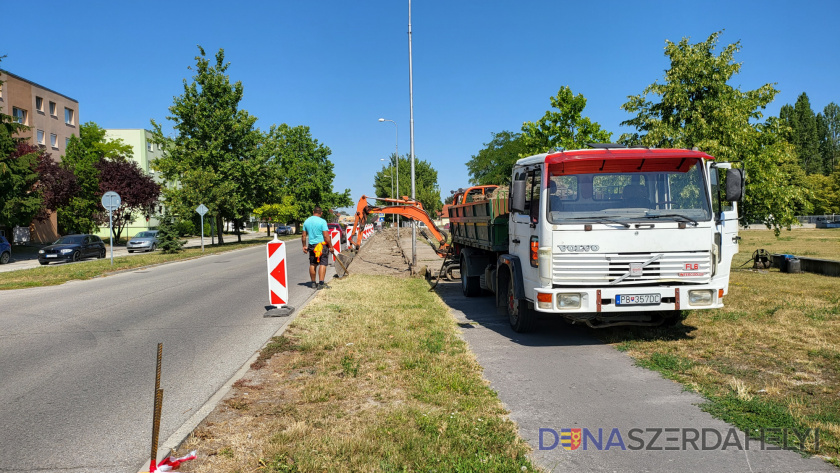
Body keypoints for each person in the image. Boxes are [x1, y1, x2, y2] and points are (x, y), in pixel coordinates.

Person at [301, 206, 334, 289]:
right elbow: (326, 236)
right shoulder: (322, 221)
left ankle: (313, 283)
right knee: (323, 263)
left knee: (313, 264)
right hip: (321, 245)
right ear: (321, 213)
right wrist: (331, 246)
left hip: (312, 246)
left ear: (313, 212)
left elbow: (303, 235)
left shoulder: (306, 221)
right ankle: (321, 283)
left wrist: (304, 246)